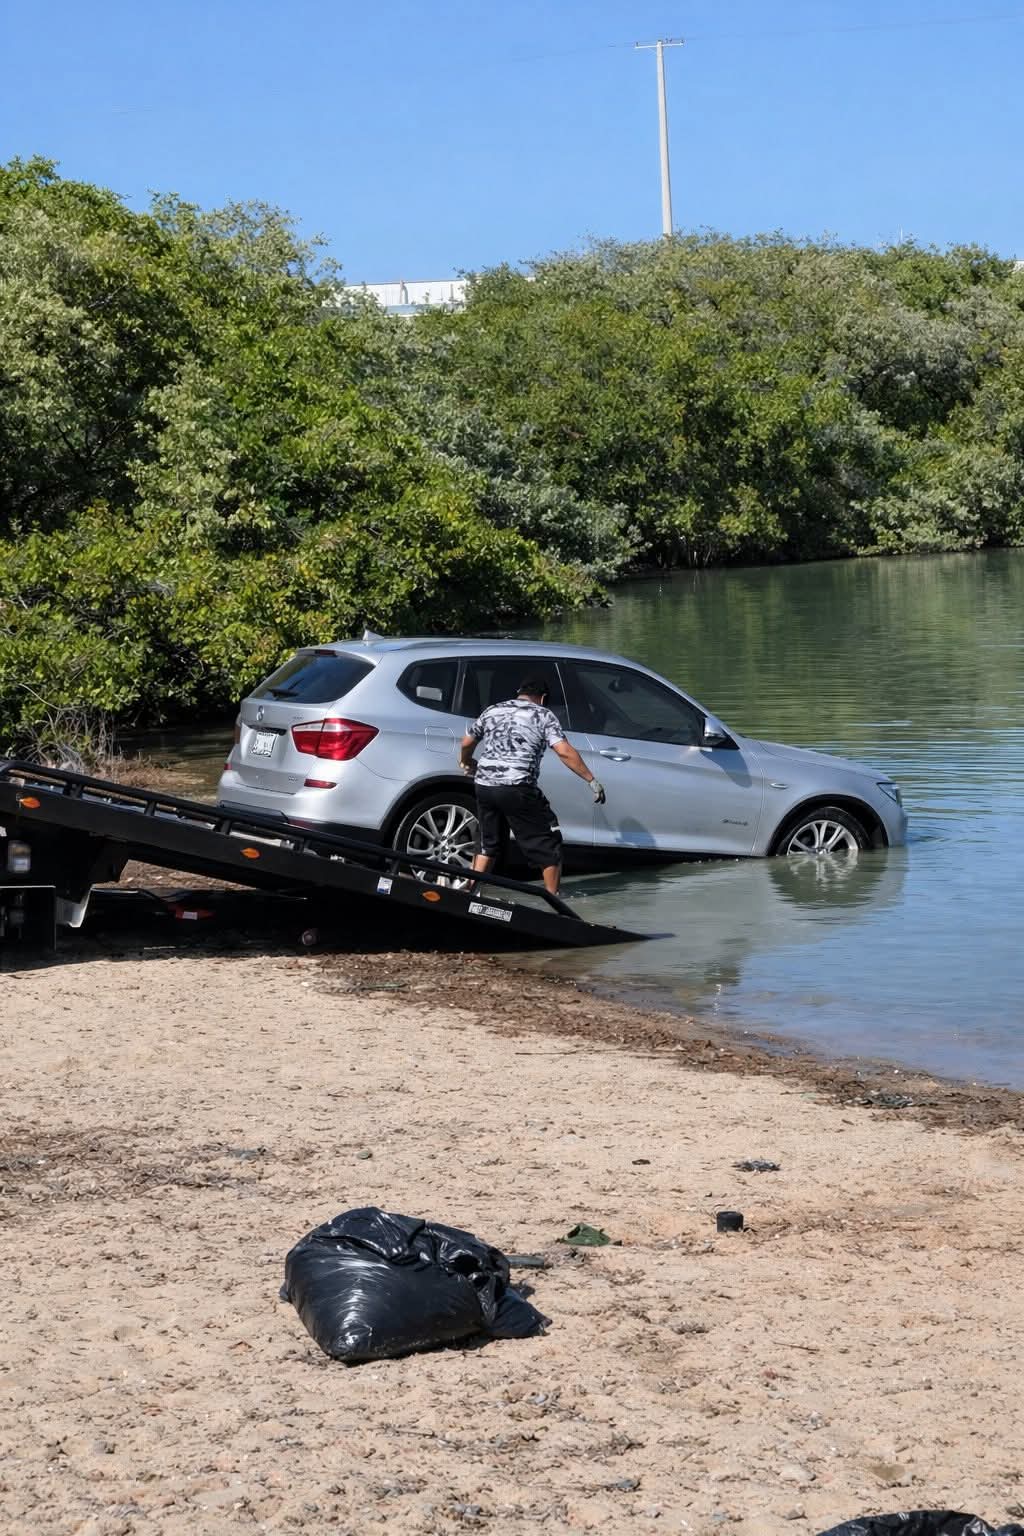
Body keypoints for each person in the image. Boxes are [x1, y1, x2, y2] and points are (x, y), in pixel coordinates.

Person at [459, 676, 606, 896]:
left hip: (484, 786)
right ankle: (553, 899)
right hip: (517, 786)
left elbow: (467, 742)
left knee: (488, 843)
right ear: (543, 698)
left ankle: (472, 893)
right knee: (549, 841)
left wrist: (467, 761)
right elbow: (563, 750)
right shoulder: (543, 715)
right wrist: (591, 779)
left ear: (519, 692)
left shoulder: (493, 710)